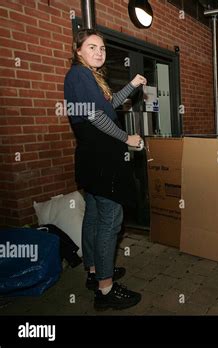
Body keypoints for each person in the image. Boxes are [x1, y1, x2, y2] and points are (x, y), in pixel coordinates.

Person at [64, 29, 146, 310]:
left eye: (102, 48)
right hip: (102, 161)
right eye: (92, 47)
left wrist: (132, 84)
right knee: (111, 220)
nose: (99, 52)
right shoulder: (79, 75)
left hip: (91, 160)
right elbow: (96, 116)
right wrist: (127, 138)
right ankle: (106, 290)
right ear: (78, 51)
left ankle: (94, 272)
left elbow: (107, 106)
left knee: (95, 216)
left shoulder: (87, 77)